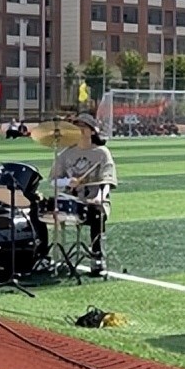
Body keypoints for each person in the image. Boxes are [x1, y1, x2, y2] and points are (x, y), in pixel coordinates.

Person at [46, 113, 118, 276]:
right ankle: (43, 255)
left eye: (83, 127)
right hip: (71, 200)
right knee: (40, 208)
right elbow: (53, 181)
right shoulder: (65, 153)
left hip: (94, 201)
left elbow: (107, 180)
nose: (79, 130)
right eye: (77, 127)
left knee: (97, 215)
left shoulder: (101, 152)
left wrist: (100, 197)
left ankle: (97, 258)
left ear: (92, 131)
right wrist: (67, 182)